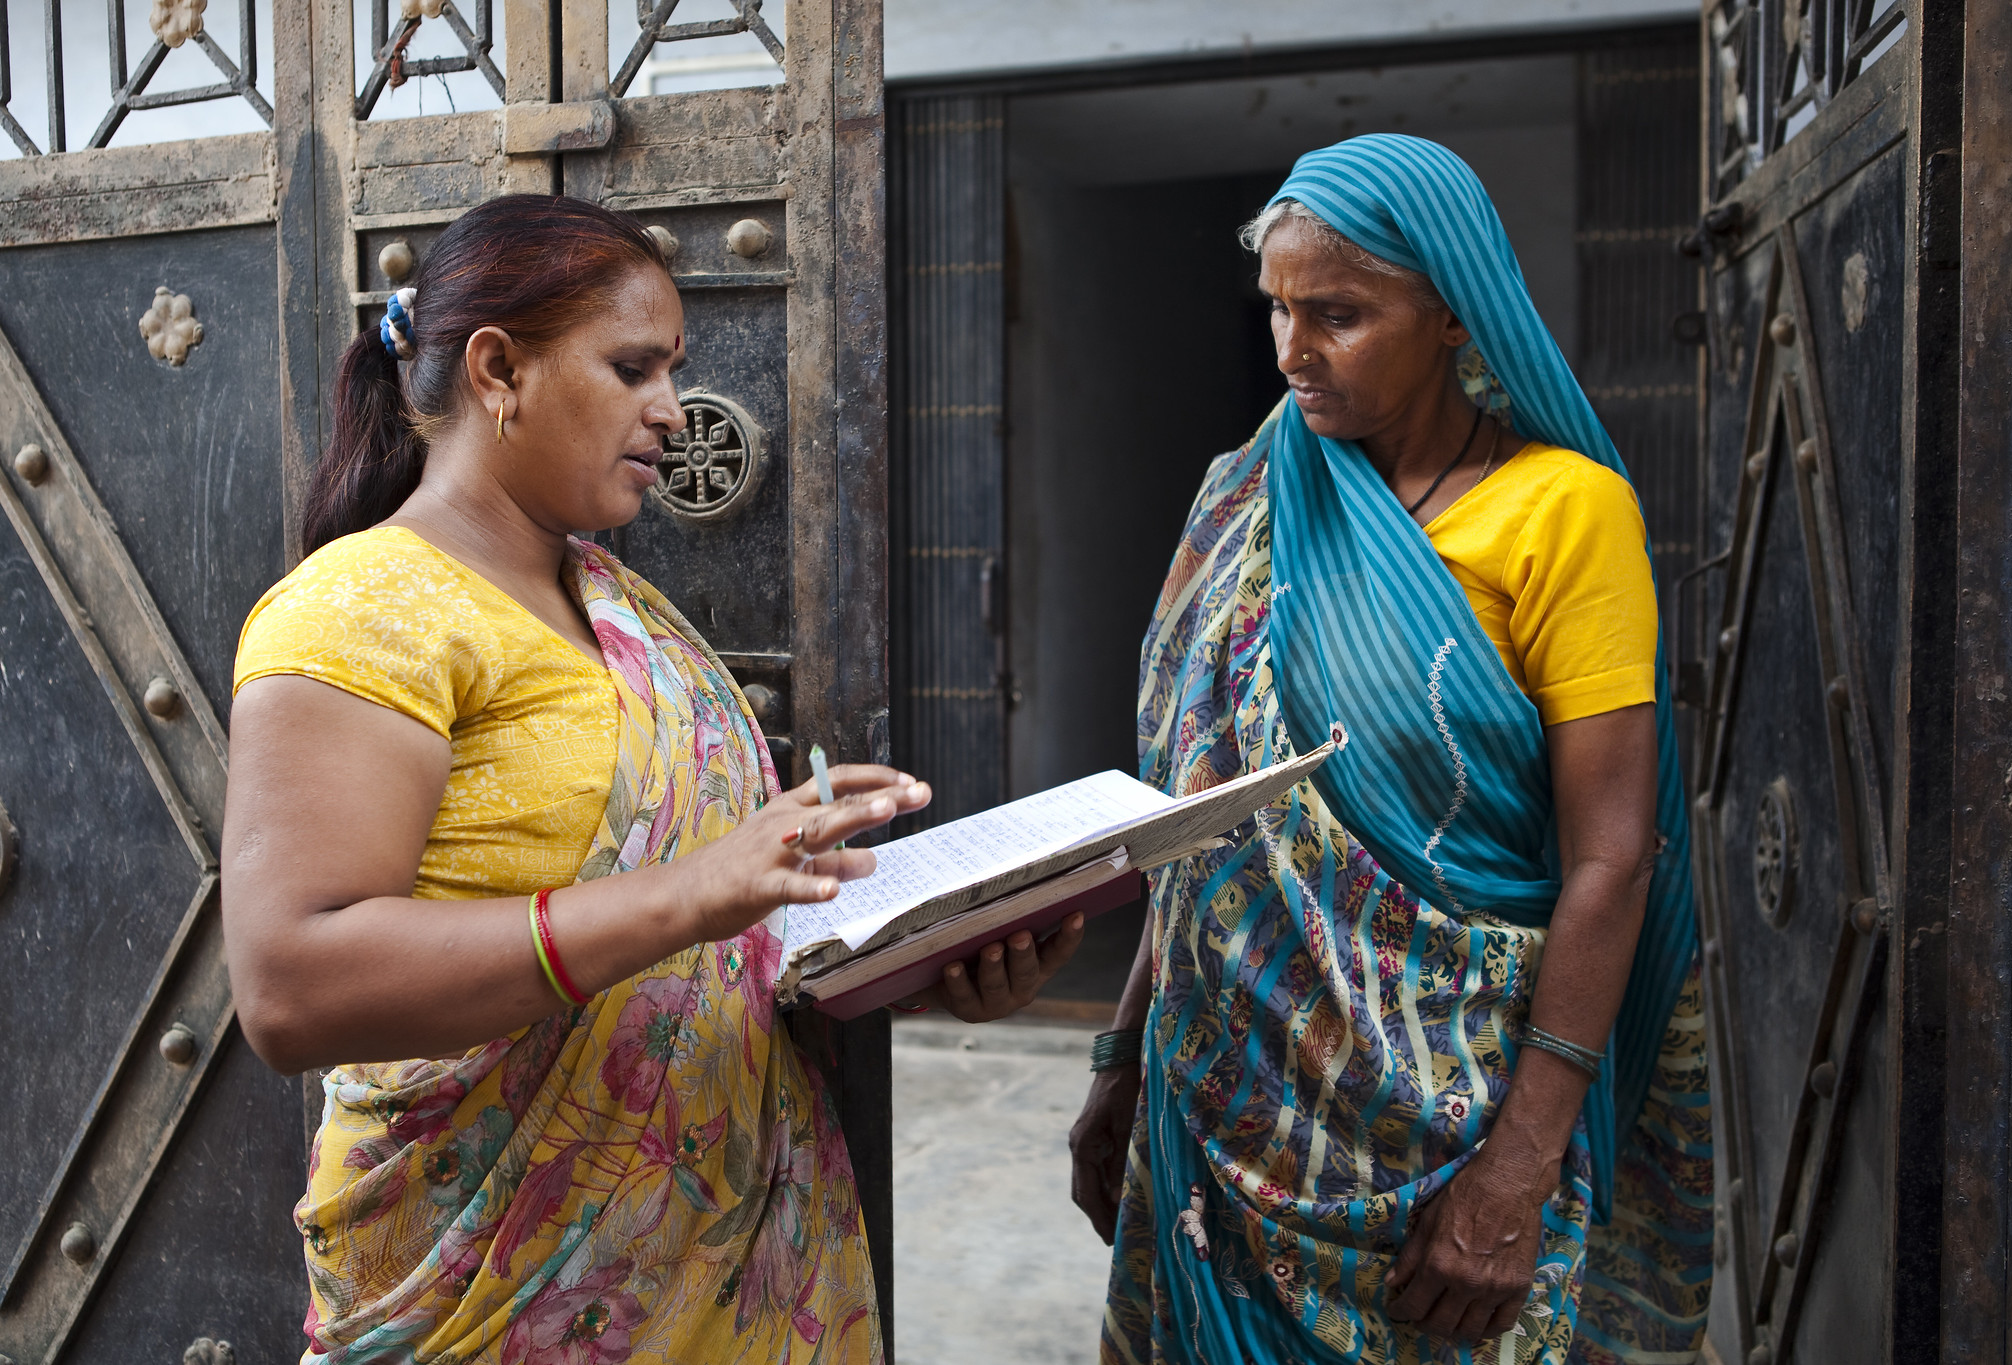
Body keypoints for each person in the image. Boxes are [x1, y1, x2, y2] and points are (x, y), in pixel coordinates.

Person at [221, 194, 1083, 1365]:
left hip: (714, 1259)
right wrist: (699, 890)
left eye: (671, 371)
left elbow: (703, 954)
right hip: (495, 1284)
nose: (672, 413)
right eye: (633, 369)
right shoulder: (360, 612)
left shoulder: (623, 610)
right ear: (496, 370)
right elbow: (290, 989)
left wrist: (916, 952)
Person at [1067, 136, 1711, 1365]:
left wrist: (1518, 1166)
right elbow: (1202, 824)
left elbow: (1612, 861)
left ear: (1453, 315)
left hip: (1444, 1140)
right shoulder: (1246, 502)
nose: (1292, 350)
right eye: (1278, 310)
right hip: (1215, 1102)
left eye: (1340, 314)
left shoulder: (1560, 512)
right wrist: (1121, 1054)